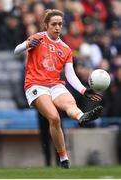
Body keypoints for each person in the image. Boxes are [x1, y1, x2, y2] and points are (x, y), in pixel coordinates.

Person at [14, 9, 103, 169]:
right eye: (54, 24)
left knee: (70, 103)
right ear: (46, 25)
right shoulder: (38, 38)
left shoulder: (66, 49)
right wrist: (27, 44)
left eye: (60, 24)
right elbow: (16, 50)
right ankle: (63, 158)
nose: (57, 27)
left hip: (55, 85)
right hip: (35, 85)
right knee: (54, 118)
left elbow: (71, 75)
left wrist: (84, 90)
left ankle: (82, 117)